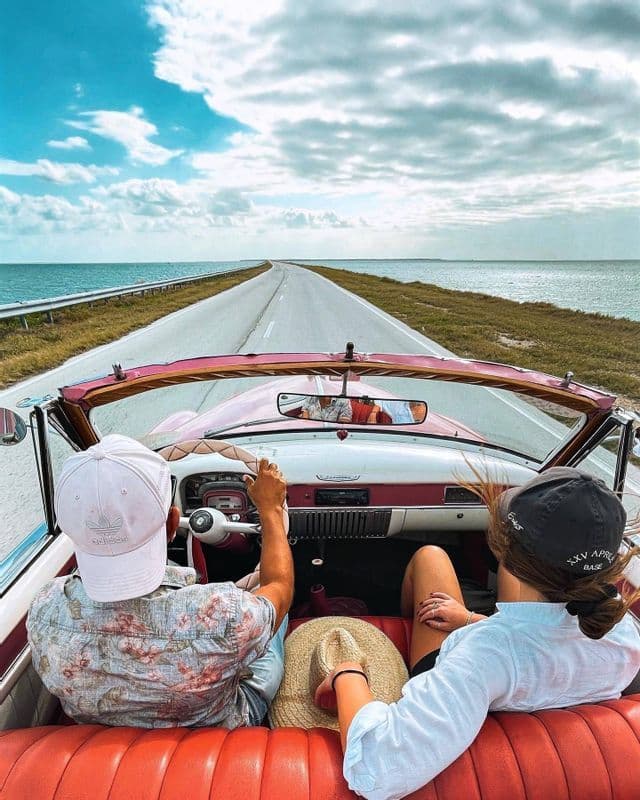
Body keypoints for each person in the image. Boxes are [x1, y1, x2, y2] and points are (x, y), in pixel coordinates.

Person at [312, 467, 640, 800]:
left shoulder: (481, 657)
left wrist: (347, 673)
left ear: (505, 553)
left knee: (430, 556)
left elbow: (376, 768)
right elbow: (548, 647)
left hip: (466, 681)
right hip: (511, 687)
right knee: (432, 557)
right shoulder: (622, 629)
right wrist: (471, 619)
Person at [27, 434, 293, 729]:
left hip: (100, 737)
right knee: (274, 614)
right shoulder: (226, 614)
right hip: (217, 728)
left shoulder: (43, 610)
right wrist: (270, 510)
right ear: (172, 523)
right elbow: (280, 584)